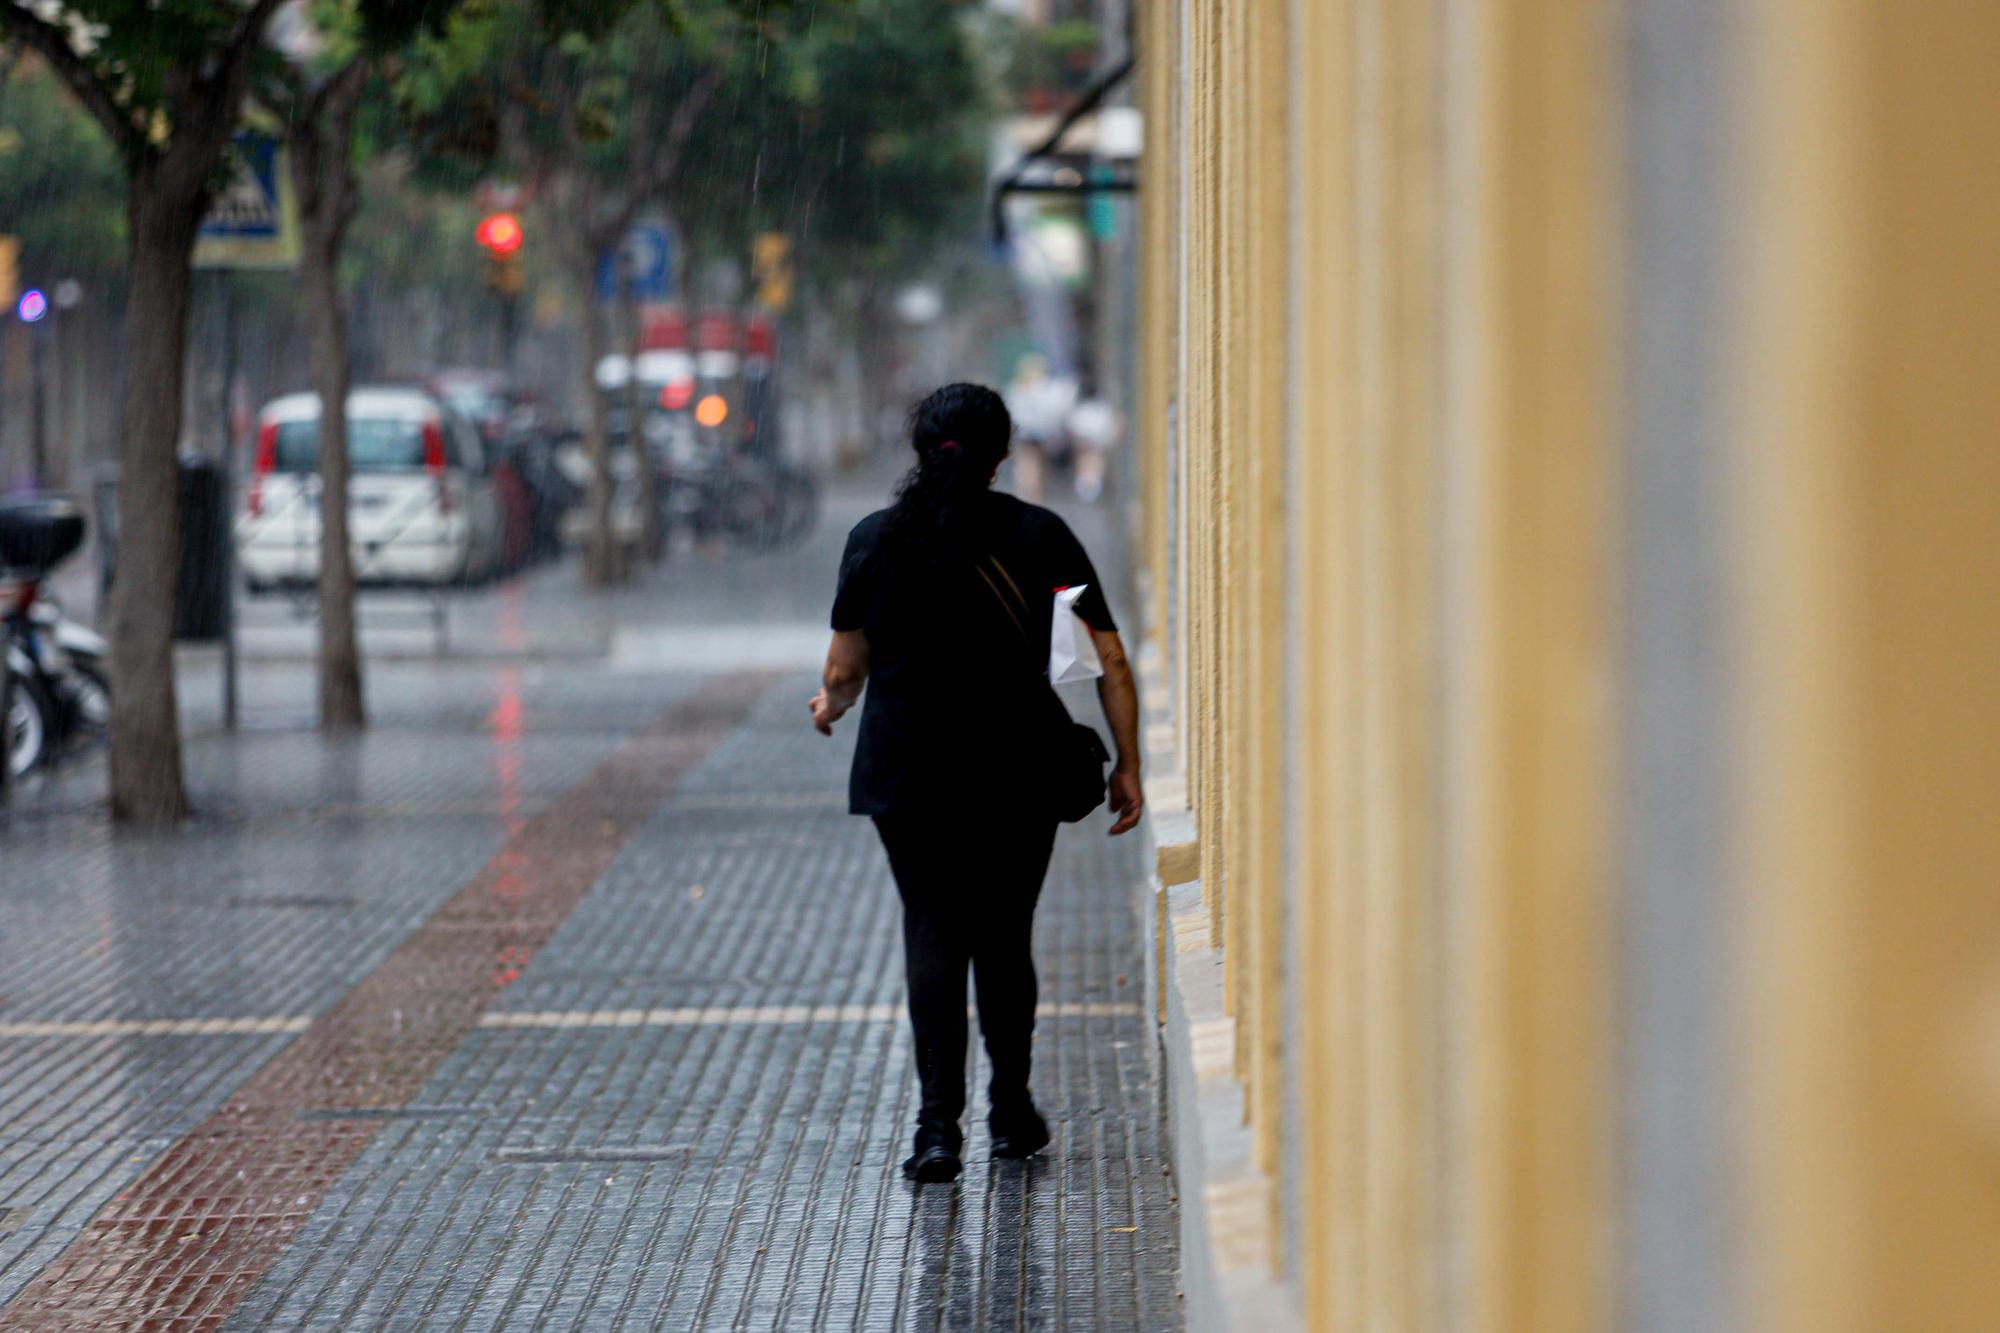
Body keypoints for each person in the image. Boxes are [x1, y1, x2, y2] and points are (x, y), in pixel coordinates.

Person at [810, 382, 1145, 1184]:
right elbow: (1110, 659)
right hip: (1015, 764)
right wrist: (1128, 762)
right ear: (1001, 454)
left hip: (906, 767)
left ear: (920, 448)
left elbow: (843, 666)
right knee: (1003, 934)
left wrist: (830, 703)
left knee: (932, 929)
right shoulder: (1041, 533)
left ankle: (935, 1129)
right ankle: (1012, 1109)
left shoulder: (875, 537)